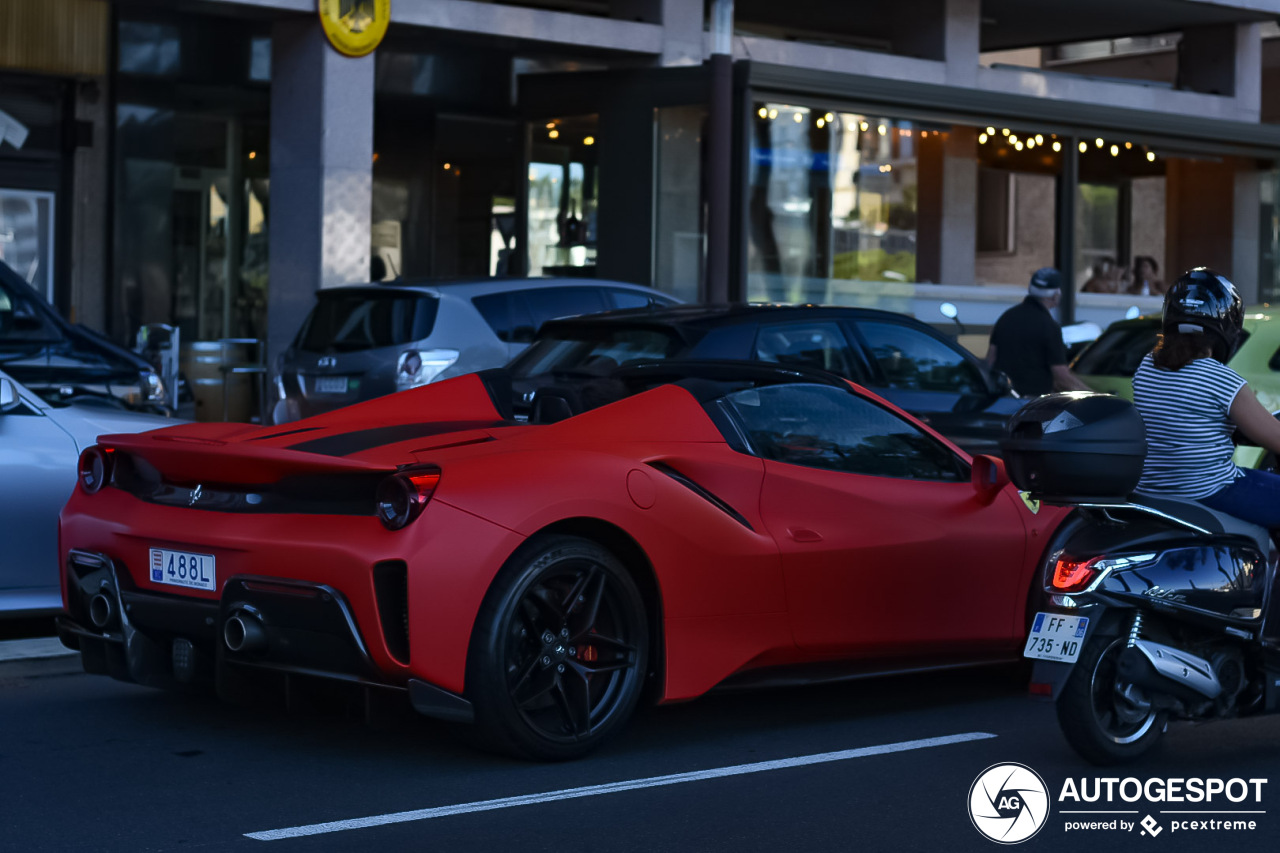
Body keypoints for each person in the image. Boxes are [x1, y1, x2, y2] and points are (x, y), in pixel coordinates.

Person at [1132, 268, 1280, 527]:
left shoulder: (1147, 367)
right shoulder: (1221, 379)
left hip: (1153, 491)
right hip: (1208, 491)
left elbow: (1181, 421)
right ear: (1229, 326)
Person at [985, 267, 1092, 397]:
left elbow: (990, 360)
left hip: (1003, 399)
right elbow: (1061, 376)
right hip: (1033, 404)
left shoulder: (1006, 318)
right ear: (1055, 295)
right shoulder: (1049, 326)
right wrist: (1092, 396)